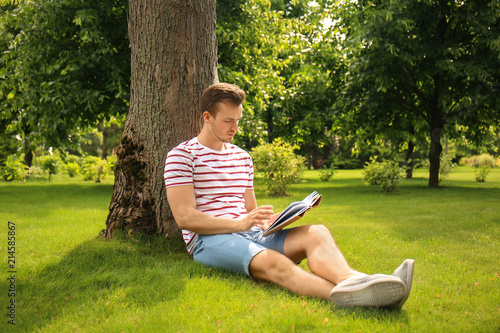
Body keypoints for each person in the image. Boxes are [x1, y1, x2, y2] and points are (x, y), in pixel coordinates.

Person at [164, 82, 414, 308]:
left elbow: (252, 213)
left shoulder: (242, 157)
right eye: (228, 120)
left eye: (238, 120)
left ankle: (364, 282)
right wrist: (238, 224)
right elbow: (185, 218)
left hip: (251, 233)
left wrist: (272, 220)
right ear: (207, 117)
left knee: (317, 233)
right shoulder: (183, 156)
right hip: (210, 241)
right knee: (275, 263)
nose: (235, 128)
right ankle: (360, 296)